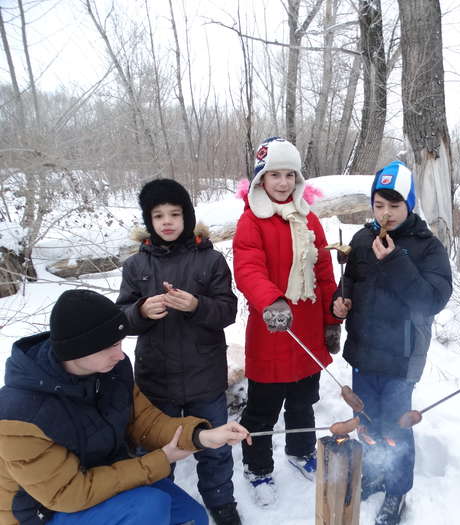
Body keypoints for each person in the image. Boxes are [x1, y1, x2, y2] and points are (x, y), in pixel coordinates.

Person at [0, 289, 250, 525]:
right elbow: (69, 494)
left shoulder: (111, 371)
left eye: (120, 343)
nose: (120, 355)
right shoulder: (19, 415)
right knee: (150, 508)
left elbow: (145, 421)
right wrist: (159, 461)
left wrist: (200, 436)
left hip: (106, 476)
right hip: (43, 510)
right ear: (77, 350)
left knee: (191, 517)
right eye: (110, 346)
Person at [332, 161, 452, 525]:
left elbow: (432, 300)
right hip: (363, 353)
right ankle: (373, 473)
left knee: (396, 428)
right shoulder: (361, 240)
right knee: (365, 421)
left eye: (394, 205)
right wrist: (340, 302)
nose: (385, 214)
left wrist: (396, 260)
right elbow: (349, 280)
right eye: (379, 205)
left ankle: (397, 489)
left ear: (409, 205)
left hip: (402, 358)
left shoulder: (428, 247)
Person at [116, 179, 241, 524]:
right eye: (158, 215)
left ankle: (221, 502)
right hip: (158, 378)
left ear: (187, 216)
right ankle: (164, 503)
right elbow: (121, 320)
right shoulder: (136, 267)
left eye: (175, 213)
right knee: (161, 447)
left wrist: (196, 305)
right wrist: (141, 311)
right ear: (149, 221)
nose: (167, 221)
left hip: (205, 375)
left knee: (213, 447)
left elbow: (227, 311)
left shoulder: (210, 259)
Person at [232, 137, 341, 507]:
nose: (281, 182)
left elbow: (324, 271)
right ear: (261, 179)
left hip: (307, 330)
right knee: (262, 409)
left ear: (297, 178)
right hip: (272, 329)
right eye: (273, 174)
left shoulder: (309, 219)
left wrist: (331, 320)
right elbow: (247, 268)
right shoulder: (251, 221)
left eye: (288, 175)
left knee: (302, 402)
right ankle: (257, 467)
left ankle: (300, 451)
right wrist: (270, 300)